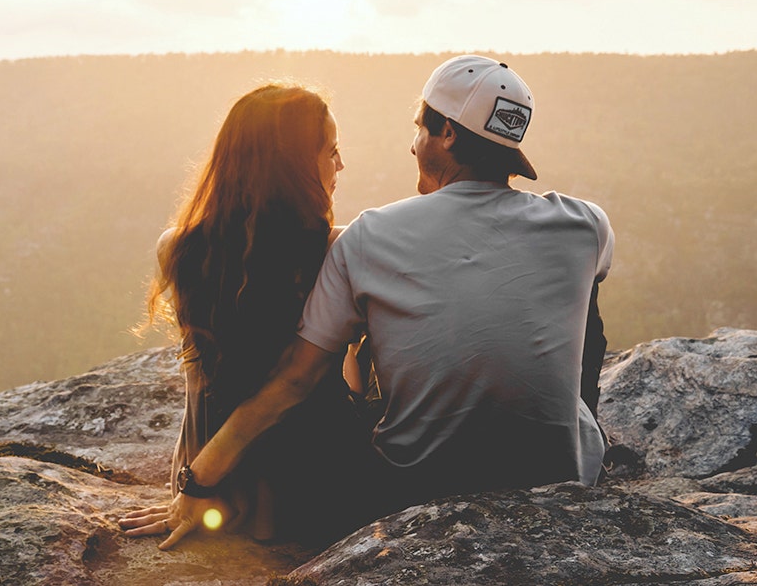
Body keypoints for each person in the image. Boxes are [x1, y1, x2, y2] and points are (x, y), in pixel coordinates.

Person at [124, 55, 614, 550]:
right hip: (560, 481)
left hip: (410, 489)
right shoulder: (586, 224)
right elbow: (584, 324)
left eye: (420, 127)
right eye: (332, 151)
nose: (411, 142)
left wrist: (198, 480)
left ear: (445, 133)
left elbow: (295, 379)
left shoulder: (369, 238)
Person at [119, 82, 370, 548]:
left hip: (217, 483)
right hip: (317, 482)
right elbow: (304, 383)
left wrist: (195, 484)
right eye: (331, 151)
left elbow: (202, 383)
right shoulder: (339, 249)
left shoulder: (176, 248)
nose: (340, 165)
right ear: (293, 168)